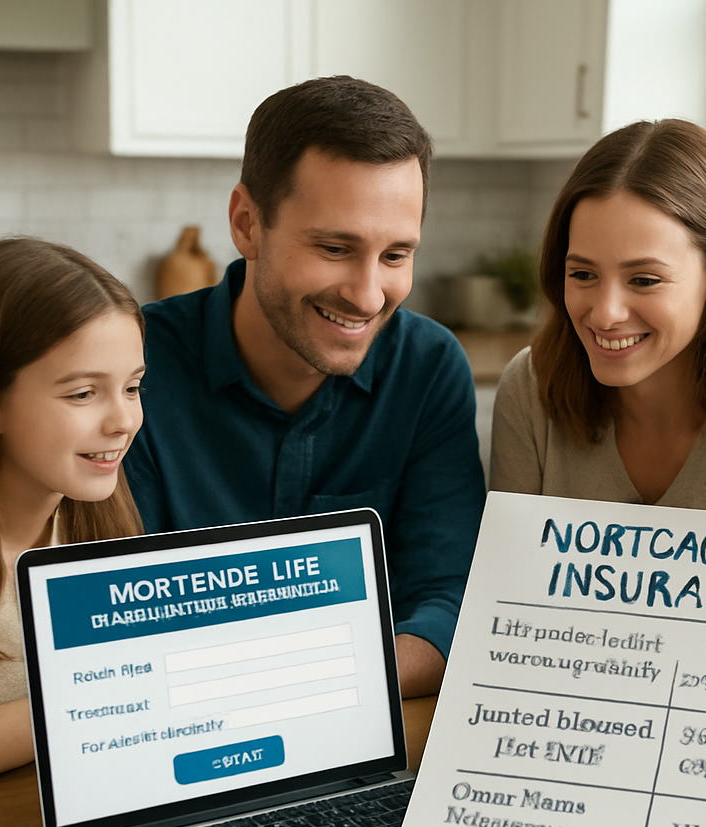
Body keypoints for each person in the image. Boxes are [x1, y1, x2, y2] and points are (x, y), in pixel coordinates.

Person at [124, 77, 485, 699]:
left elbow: (448, 604)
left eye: (396, 256)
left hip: (368, 734)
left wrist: (300, 687)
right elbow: (124, 623)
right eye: (336, 247)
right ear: (246, 224)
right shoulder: (134, 369)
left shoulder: (428, 368)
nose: (368, 295)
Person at [490, 119, 706, 519]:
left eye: (644, 280)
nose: (606, 314)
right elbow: (510, 574)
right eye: (583, 274)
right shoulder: (531, 388)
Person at [0, 238, 145, 785]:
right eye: (83, 394)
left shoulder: (93, 526)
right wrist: (81, 711)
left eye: (133, 387)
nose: (123, 421)